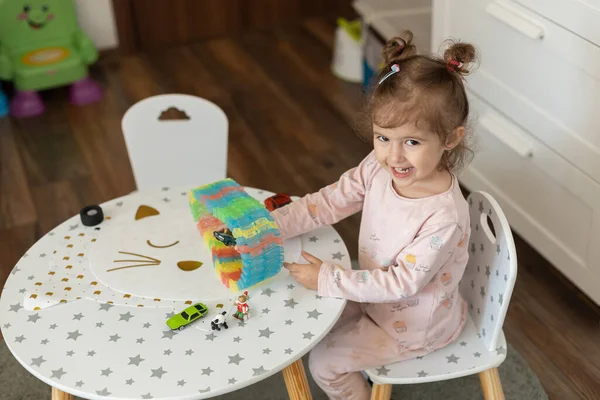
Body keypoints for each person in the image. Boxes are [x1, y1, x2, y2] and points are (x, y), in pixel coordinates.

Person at [273, 30, 478, 400]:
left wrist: (329, 279)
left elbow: (401, 283)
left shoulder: (442, 217)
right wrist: (276, 224)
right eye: (383, 137)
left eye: (412, 142)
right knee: (302, 311)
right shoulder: (378, 167)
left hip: (412, 327)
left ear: (450, 138)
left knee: (323, 363)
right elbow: (331, 201)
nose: (394, 156)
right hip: (376, 297)